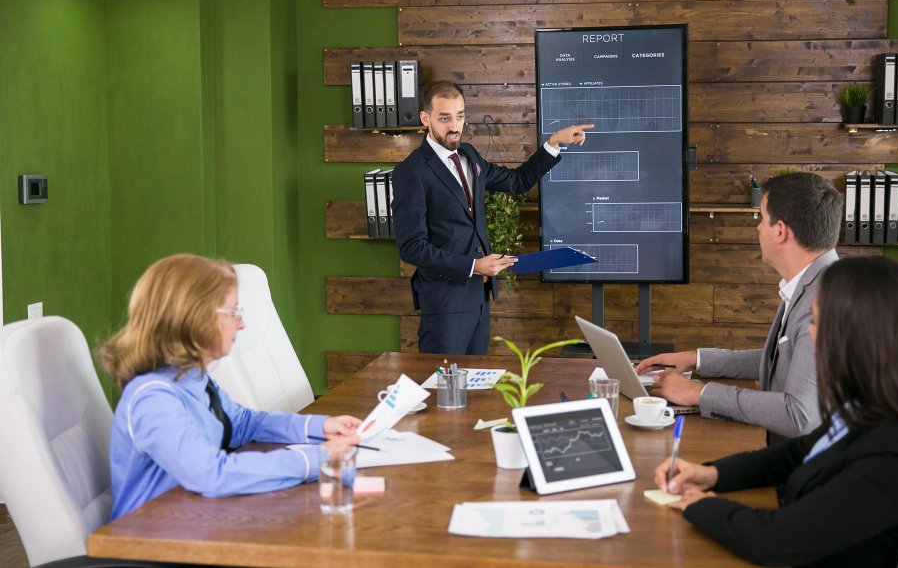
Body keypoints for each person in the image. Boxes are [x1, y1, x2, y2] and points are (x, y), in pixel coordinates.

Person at [654, 256, 898, 567]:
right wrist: (712, 474)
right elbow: (799, 452)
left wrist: (701, 506)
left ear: (857, 336)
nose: (810, 335)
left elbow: (777, 541)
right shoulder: (878, 405)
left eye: (815, 321)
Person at [101, 254, 361, 519]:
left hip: (193, 520)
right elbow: (211, 475)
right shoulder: (153, 398)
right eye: (233, 312)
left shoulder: (193, 376)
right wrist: (315, 459)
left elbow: (242, 423)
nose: (242, 323)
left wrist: (320, 427)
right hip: (149, 543)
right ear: (195, 317)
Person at [637, 172, 841, 444]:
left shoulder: (825, 301)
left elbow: (799, 416)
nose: (757, 228)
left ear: (780, 230)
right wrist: (697, 360)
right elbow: (782, 362)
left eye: (761, 218)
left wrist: (698, 393)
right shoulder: (819, 282)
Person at [392, 80, 593, 355]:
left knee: (474, 388)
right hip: (444, 304)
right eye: (445, 118)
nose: (454, 126)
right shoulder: (411, 172)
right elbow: (411, 247)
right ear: (426, 118)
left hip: (480, 298)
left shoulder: (469, 155)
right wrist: (473, 266)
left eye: (460, 116)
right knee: (444, 390)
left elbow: (517, 182)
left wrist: (553, 142)